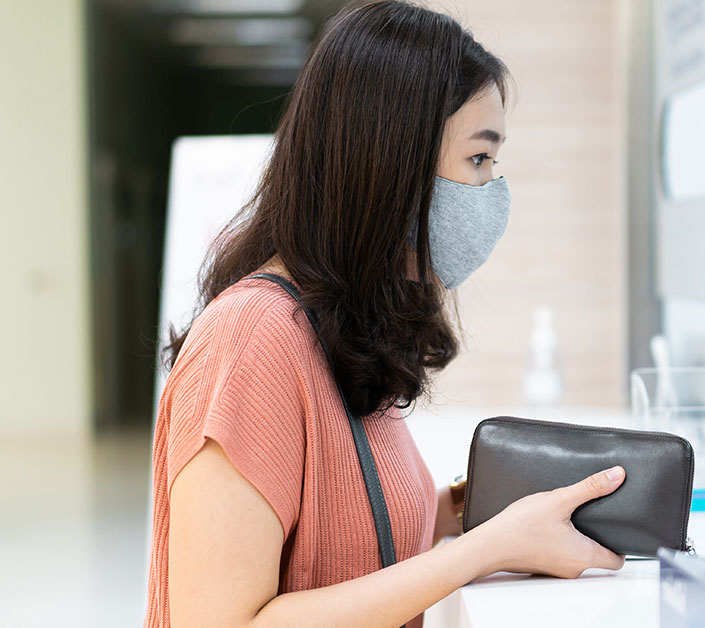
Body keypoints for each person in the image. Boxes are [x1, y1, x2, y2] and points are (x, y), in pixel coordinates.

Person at [144, 2, 625, 626]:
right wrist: (487, 548)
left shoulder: (338, 327)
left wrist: (491, 505)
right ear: (393, 164)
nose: (491, 192)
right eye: (479, 161)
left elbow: (366, 522)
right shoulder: (251, 337)